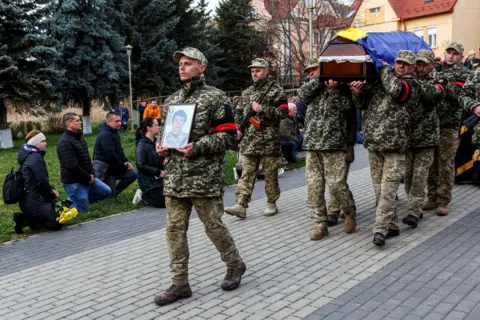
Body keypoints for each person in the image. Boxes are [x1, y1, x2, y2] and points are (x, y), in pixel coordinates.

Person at [154, 47, 245, 306]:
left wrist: (198, 146)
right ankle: (180, 283)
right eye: (180, 63)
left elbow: (229, 137)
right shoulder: (171, 101)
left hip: (203, 177)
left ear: (201, 67)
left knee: (213, 227)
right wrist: (160, 146)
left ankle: (235, 264)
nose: (181, 67)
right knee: (174, 231)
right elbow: (165, 135)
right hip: (174, 177)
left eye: (188, 63)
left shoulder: (216, 98)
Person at [351, 51, 422, 246]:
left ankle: (380, 229)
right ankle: (391, 226)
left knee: (388, 191)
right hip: (374, 145)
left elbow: (396, 90)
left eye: (406, 64)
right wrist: (357, 91)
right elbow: (361, 104)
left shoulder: (411, 84)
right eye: (398, 62)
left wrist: (384, 69)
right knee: (378, 189)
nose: (401, 66)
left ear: (412, 68)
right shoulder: (381, 80)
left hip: (395, 147)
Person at [298, 58, 357, 240]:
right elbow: (302, 94)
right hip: (313, 144)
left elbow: (347, 107)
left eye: (314, 70)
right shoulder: (312, 87)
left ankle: (349, 211)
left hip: (334, 144)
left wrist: (333, 89)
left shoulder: (341, 87)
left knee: (336, 184)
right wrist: (321, 79)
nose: (311, 74)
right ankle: (320, 224)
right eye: (308, 72)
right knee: (314, 187)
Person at [224, 58, 288, 219]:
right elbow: (239, 112)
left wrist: (262, 109)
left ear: (266, 71)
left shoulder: (276, 90)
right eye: (252, 71)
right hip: (249, 140)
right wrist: (238, 128)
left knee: (270, 174)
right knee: (246, 174)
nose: (254, 73)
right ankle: (241, 205)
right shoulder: (247, 92)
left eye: (258, 70)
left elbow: (283, 113)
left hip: (268, 140)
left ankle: (271, 203)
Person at [426, 42, 470, 215]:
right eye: (449, 52)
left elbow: (456, 94)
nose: (451, 56)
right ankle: (431, 196)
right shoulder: (435, 68)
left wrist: (441, 82)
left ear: (461, 56)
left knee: (446, 163)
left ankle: (443, 200)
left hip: (449, 124)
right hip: (431, 123)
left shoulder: (464, 73)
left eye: (455, 53)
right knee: (431, 163)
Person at [402, 50, 444, 228]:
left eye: (423, 64)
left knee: (420, 176)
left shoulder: (439, 79)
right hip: (409, 136)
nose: (419, 68)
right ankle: (413, 205)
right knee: (408, 176)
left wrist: (415, 82)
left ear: (431, 65)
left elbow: (432, 94)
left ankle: (414, 211)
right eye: (417, 64)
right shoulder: (409, 79)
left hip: (427, 137)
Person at [57, 113, 111, 212]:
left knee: (107, 191)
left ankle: (74, 200)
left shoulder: (79, 138)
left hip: (87, 177)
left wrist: (92, 174)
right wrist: (87, 178)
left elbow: (86, 159)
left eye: (80, 120)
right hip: (74, 181)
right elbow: (72, 166)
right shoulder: (64, 142)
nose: (80, 122)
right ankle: (67, 206)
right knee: (84, 210)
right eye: (77, 121)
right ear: (69, 124)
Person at [13, 130, 63, 234]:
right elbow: (42, 180)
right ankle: (23, 219)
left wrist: (51, 190)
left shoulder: (28, 156)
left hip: (27, 201)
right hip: (34, 200)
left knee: (53, 218)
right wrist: (52, 192)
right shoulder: (35, 157)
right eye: (42, 141)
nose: (45, 143)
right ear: (34, 143)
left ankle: (30, 218)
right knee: (57, 224)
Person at [93, 112, 137, 197]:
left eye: (120, 121)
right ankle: (109, 193)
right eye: (116, 121)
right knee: (109, 197)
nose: (119, 123)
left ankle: (115, 192)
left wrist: (127, 162)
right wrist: (124, 166)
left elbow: (120, 151)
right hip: (106, 171)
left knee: (133, 174)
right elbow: (111, 156)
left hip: (114, 167)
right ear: (108, 122)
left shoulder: (115, 132)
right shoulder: (105, 135)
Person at [133, 117, 166, 208]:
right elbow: (140, 165)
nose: (159, 127)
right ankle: (143, 195)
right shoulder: (142, 145)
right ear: (149, 128)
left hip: (159, 179)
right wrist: (158, 172)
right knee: (163, 203)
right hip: (148, 182)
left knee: (173, 199)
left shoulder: (157, 142)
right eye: (156, 125)